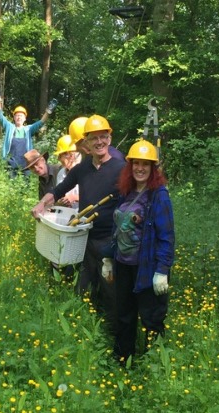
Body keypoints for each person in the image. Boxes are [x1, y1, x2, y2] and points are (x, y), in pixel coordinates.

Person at [31, 114, 126, 330]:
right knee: (83, 289)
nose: (99, 142)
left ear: (109, 139)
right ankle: (82, 329)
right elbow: (57, 191)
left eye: (103, 137)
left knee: (110, 291)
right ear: (87, 143)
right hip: (85, 238)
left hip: (110, 241)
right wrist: (41, 205)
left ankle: (112, 333)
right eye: (94, 139)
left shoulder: (120, 169)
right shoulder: (81, 169)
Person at [108, 139, 175, 364]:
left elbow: (167, 236)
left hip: (147, 268)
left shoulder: (159, 196)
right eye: (136, 163)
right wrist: (109, 257)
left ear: (152, 168)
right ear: (130, 165)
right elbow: (115, 227)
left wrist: (162, 270)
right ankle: (122, 359)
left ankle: (153, 365)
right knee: (124, 316)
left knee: (151, 318)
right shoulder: (124, 191)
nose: (140, 168)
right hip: (123, 264)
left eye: (145, 164)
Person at [0, 88, 56, 178]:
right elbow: (0, 116)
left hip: (26, 164)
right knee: (11, 186)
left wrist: (48, 111)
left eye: (21, 116)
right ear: (14, 117)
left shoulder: (29, 129)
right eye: (17, 115)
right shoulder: (9, 127)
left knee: (25, 187)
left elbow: (41, 122)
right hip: (11, 164)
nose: (19, 117)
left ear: (25, 118)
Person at [53, 134, 81, 210]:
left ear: (70, 155)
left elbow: (96, 196)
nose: (59, 159)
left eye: (60, 155)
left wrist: (74, 198)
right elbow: (59, 194)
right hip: (67, 216)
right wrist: (60, 202)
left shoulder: (85, 170)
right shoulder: (61, 173)